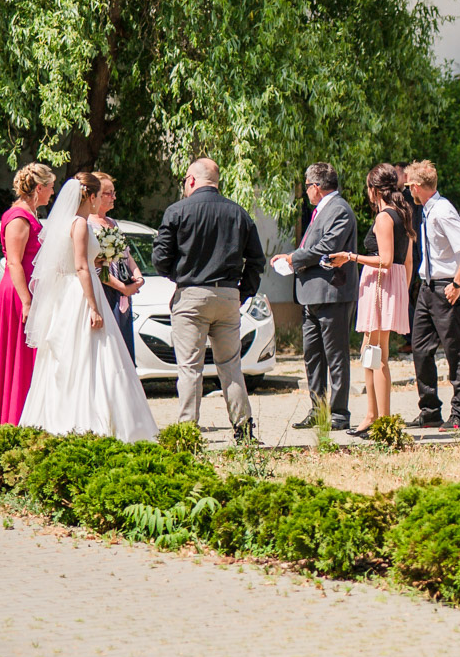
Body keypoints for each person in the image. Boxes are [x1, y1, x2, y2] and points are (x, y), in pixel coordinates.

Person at [20, 174, 158, 441]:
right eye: (100, 195)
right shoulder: (80, 224)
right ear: (92, 197)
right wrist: (93, 306)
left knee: (68, 355)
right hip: (81, 292)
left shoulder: (63, 223)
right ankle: (99, 422)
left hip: (65, 294)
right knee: (95, 353)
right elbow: (83, 267)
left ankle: (56, 419)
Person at [154, 158, 266, 443]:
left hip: (191, 294)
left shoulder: (177, 211)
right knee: (230, 365)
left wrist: (179, 276)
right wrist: (242, 293)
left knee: (190, 367)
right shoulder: (238, 213)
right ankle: (244, 430)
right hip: (227, 295)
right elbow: (256, 260)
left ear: (191, 180)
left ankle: (188, 431)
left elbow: (160, 258)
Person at [271, 162, 358, 432]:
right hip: (310, 295)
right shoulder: (321, 210)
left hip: (332, 293)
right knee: (312, 356)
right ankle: (318, 410)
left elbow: (327, 247)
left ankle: (339, 414)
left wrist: (293, 258)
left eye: (307, 187)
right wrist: (292, 258)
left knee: (336, 356)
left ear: (316, 187)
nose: (306, 192)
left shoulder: (339, 209)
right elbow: (312, 246)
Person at [329, 163, 414, 436]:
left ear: (374, 189)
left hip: (380, 286)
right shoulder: (403, 214)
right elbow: (407, 261)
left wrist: (350, 256)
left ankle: (382, 422)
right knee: (370, 352)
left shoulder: (385, 218)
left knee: (377, 355)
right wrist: (402, 291)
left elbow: (386, 260)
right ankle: (373, 415)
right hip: (389, 286)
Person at [404, 160, 460, 429]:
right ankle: (430, 409)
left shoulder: (442, 211)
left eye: (408, 186)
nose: (408, 191)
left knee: (454, 350)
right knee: (420, 349)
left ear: (416, 186)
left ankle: (459, 412)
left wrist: (457, 284)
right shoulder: (428, 210)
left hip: (446, 288)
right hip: (427, 288)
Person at [0, 162, 55, 424]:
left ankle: (24, 412)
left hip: (27, 290)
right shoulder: (19, 218)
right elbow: (14, 262)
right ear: (39, 188)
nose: (53, 192)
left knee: (25, 356)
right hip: (18, 292)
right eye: (51, 187)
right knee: (18, 355)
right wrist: (26, 301)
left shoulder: (30, 214)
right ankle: (11, 415)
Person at [90, 172, 144, 362]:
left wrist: (138, 277)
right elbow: (93, 266)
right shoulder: (87, 225)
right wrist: (121, 287)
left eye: (114, 193)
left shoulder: (113, 223)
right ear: (95, 195)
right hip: (104, 290)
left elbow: (126, 255)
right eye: (108, 193)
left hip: (122, 292)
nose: (113, 197)